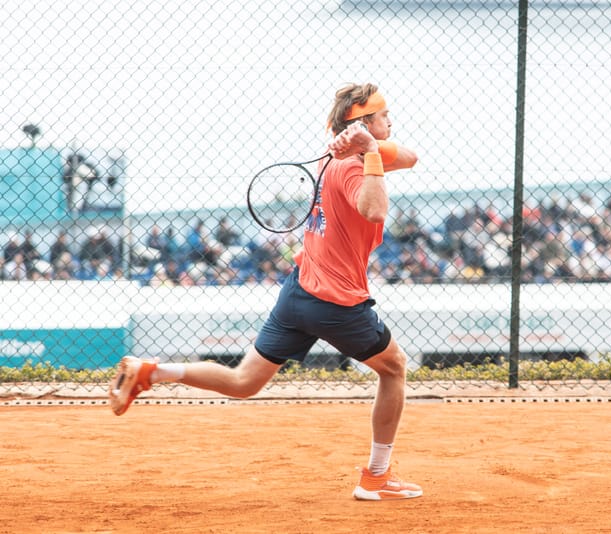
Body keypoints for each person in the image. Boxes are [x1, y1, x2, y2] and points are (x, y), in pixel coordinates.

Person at [109, 82, 423, 501]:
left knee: (244, 381)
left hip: (298, 292)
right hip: (336, 301)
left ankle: (151, 372)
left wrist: (368, 144)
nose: (392, 121)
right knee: (394, 368)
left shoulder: (339, 156)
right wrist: (367, 152)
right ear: (365, 122)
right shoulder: (351, 167)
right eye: (385, 116)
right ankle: (376, 477)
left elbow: (412, 157)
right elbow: (375, 209)